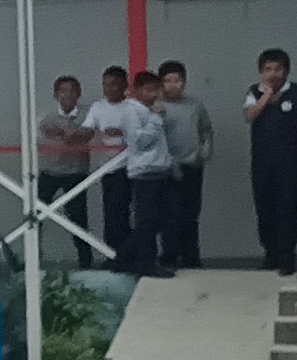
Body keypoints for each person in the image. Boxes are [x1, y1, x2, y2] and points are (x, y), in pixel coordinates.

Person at [81, 66, 159, 274]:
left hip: (135, 167)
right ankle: (115, 257)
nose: (109, 89)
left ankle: (139, 258)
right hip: (110, 169)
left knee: (144, 215)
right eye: (105, 84)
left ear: (125, 85)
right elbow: (87, 130)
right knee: (114, 215)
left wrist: (123, 133)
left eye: (114, 84)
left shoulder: (134, 108)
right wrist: (73, 135)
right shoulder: (97, 107)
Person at [244, 48, 297, 274]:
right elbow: (249, 116)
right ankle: (270, 254)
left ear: (286, 70)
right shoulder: (254, 92)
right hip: (262, 161)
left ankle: (287, 257)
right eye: (268, 69)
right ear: (261, 71)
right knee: (264, 208)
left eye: (278, 69)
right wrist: (266, 97)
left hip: (290, 161)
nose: (273, 74)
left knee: (288, 207)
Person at [119, 68, 180, 276]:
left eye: (156, 89)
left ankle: (124, 259)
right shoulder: (132, 111)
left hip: (160, 171)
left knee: (162, 220)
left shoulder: (148, 111)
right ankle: (144, 262)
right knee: (147, 222)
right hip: (144, 173)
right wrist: (156, 118)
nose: (154, 94)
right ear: (137, 90)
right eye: (149, 89)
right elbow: (140, 142)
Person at [154, 58, 212, 268]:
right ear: (161, 83)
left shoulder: (195, 105)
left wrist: (207, 148)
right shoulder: (156, 107)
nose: (173, 85)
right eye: (168, 81)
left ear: (184, 82)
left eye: (177, 80)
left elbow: (206, 128)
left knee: (190, 213)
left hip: (192, 166)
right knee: (170, 214)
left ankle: (191, 257)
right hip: (166, 168)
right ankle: (169, 255)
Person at [33, 73, 95, 269]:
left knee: (78, 219)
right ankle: (33, 260)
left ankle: (86, 262)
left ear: (79, 93)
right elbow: (43, 133)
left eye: (72, 90)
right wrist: (72, 133)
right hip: (48, 173)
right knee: (35, 217)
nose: (68, 94)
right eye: (63, 91)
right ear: (55, 94)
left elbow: (84, 135)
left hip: (76, 174)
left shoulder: (89, 114)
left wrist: (66, 133)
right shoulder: (45, 116)